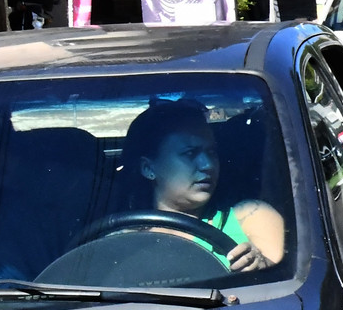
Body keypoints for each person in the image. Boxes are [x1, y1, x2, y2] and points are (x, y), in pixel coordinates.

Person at [122, 97, 285, 272]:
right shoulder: (119, 241)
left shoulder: (252, 216)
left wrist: (261, 265)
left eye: (212, 152)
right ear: (148, 168)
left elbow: (283, 287)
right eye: (190, 153)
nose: (208, 165)